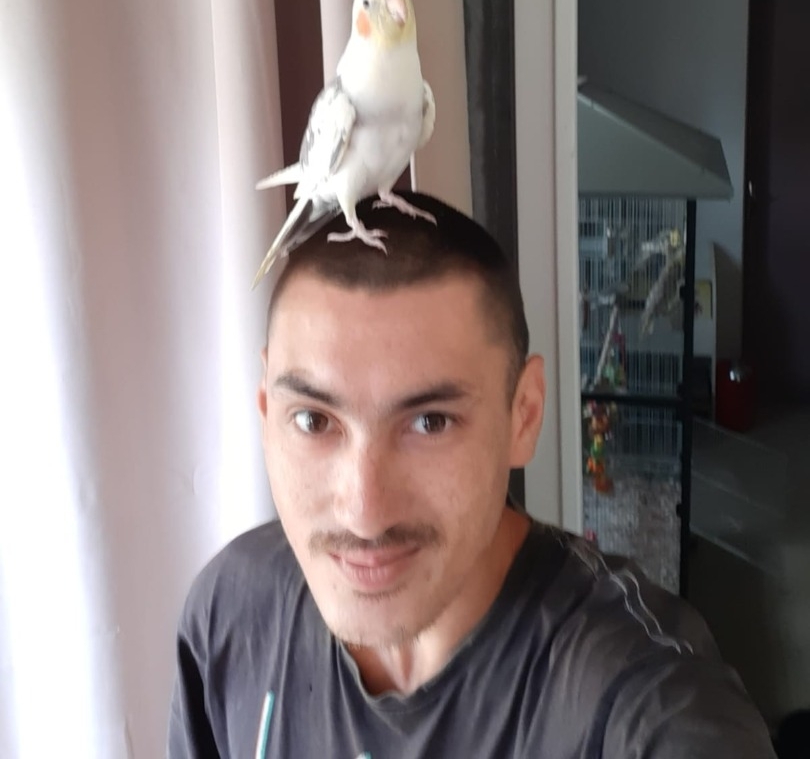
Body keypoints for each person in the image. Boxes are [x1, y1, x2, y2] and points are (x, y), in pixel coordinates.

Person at [168, 191, 775, 758]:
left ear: (524, 415)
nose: (365, 512)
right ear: (267, 414)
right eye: (313, 420)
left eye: (430, 422)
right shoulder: (230, 613)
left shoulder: (641, 698)